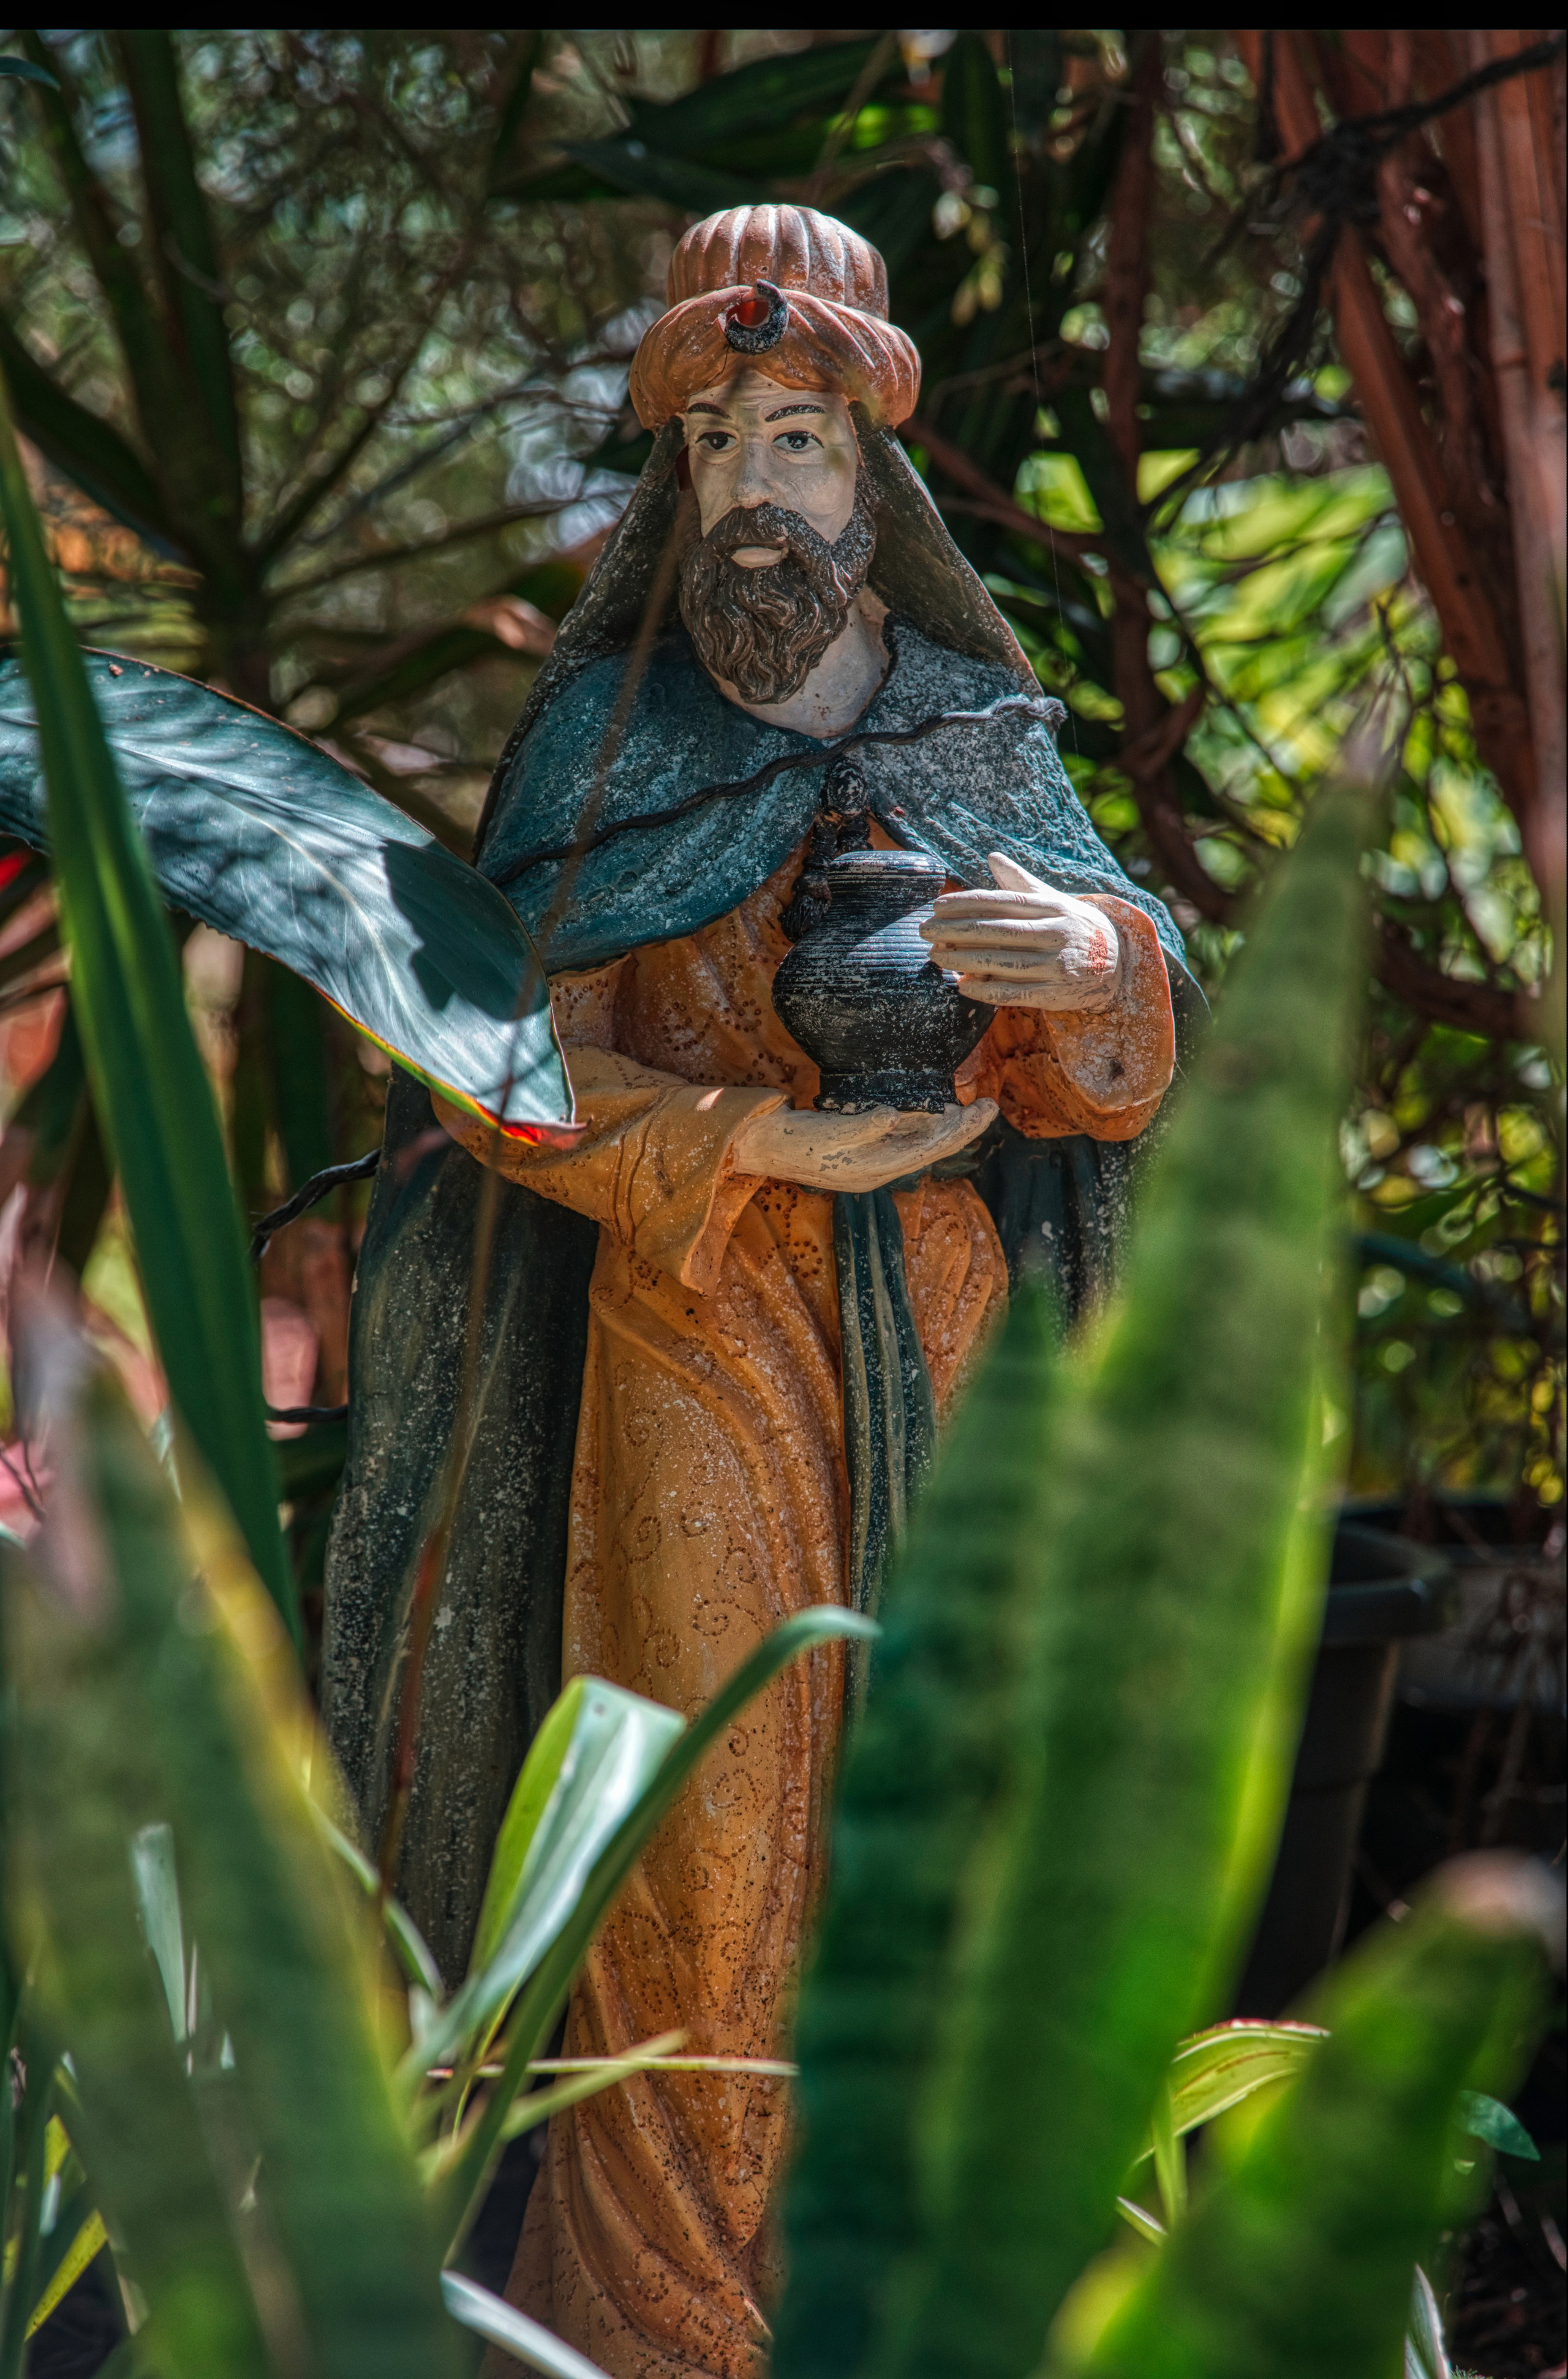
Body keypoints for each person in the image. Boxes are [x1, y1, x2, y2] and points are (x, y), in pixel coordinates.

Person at [322, 204, 1197, 2379]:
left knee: (944, 1822)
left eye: (793, 439)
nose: (752, 490)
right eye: (711, 445)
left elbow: (1115, 1058)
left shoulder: (977, 726)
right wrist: (753, 1145)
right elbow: (499, 1075)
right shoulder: (607, 748)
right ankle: (668, 2336)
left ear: (870, 475)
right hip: (696, 1320)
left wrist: (1095, 974)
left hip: (955, 1329)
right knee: (706, 1861)